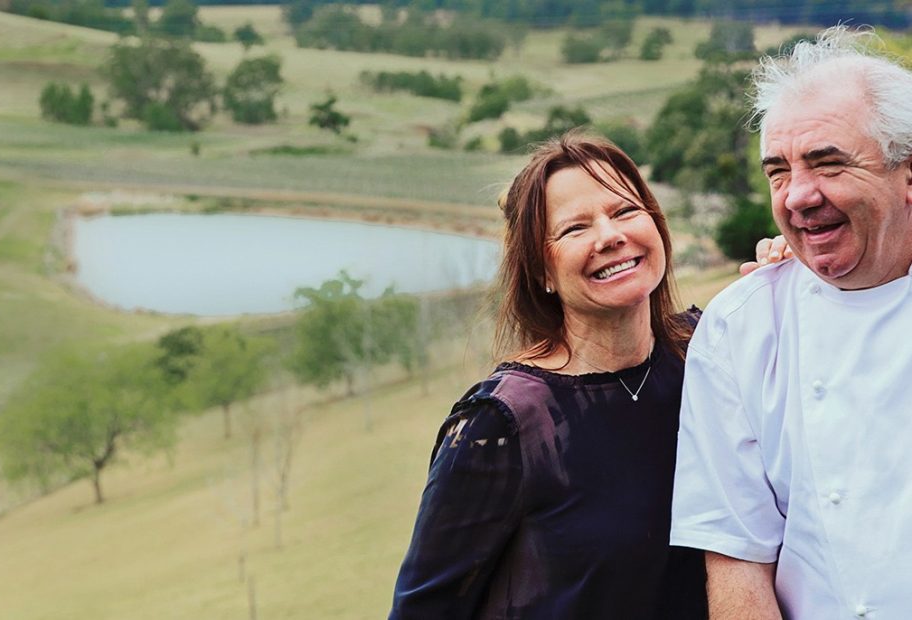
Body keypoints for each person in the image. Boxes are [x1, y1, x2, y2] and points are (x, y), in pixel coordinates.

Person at [389, 132, 709, 619]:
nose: (609, 236)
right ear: (542, 271)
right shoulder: (503, 423)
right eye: (575, 228)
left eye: (624, 211)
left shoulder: (710, 354)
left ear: (657, 227)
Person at [670, 26, 912, 619]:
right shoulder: (740, 327)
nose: (799, 195)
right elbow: (736, 557)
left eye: (828, 163)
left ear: (907, 175)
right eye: (778, 171)